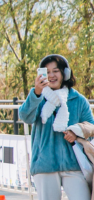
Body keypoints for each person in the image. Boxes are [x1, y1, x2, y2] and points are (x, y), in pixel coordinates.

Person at [20, 54, 94, 200]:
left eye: (55, 71)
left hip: (73, 163)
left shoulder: (78, 99)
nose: (51, 75)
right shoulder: (38, 97)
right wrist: (36, 93)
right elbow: (25, 117)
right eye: (47, 72)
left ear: (65, 73)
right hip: (45, 164)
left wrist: (76, 131)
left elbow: (91, 126)